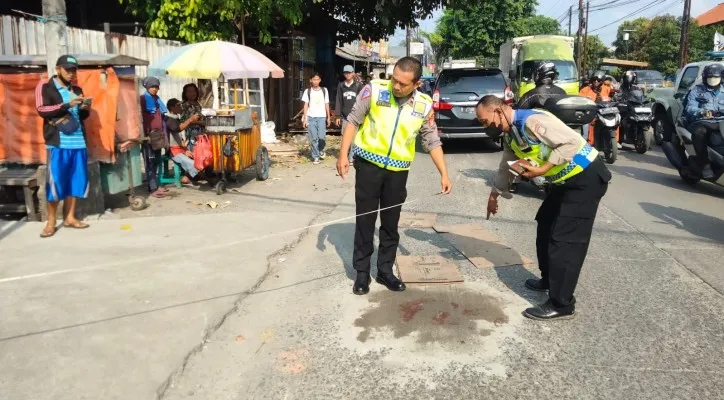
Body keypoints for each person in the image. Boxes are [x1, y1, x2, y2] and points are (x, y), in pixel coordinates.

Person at [476, 95, 611, 321]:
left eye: (484, 120)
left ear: (498, 111)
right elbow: (505, 166)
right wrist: (494, 195)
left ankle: (562, 303)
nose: (484, 126)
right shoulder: (511, 135)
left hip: (585, 179)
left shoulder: (532, 122)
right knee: (546, 224)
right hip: (564, 182)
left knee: (565, 240)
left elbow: (571, 143)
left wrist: (543, 169)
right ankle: (549, 279)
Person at [337, 56, 453, 296]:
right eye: (394, 80)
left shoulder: (423, 105)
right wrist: (342, 155)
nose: (396, 86)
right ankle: (361, 273)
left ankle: (385, 270)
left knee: (390, 224)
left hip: (398, 172)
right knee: (365, 221)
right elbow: (353, 121)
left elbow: (431, 140)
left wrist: (444, 173)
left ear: (417, 84)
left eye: (403, 83)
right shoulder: (374, 90)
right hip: (369, 165)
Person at [35, 55, 91, 238]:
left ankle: (70, 217)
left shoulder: (77, 89)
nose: (71, 73)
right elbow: (41, 110)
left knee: (76, 181)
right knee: (56, 183)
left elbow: (81, 117)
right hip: (58, 143)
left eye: (74, 70)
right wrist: (68, 104)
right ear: (58, 69)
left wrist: (84, 108)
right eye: (67, 69)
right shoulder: (45, 87)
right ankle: (51, 222)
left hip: (78, 142)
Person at [682, 63, 724, 179]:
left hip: (721, 122)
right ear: (705, 78)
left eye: (716, 78)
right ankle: (704, 164)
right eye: (710, 78)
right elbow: (689, 107)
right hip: (703, 121)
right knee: (699, 132)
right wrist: (702, 111)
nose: (713, 80)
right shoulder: (697, 90)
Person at [140, 77, 168, 198]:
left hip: (158, 135)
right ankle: (152, 188)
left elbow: (162, 117)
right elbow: (139, 117)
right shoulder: (142, 99)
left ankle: (155, 184)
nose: (155, 89)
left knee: (156, 160)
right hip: (148, 136)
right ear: (147, 87)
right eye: (152, 87)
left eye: (156, 87)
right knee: (150, 161)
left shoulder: (157, 100)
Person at [165, 98, 203, 183]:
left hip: (180, 149)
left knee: (198, 159)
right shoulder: (169, 118)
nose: (180, 107)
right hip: (173, 151)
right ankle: (188, 177)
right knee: (193, 164)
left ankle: (190, 176)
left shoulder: (175, 118)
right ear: (172, 108)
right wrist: (190, 119)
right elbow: (177, 129)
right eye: (178, 106)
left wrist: (185, 150)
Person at [335, 65, 365, 164]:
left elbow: (363, 100)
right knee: (345, 136)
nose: (347, 74)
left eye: (349, 72)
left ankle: (352, 157)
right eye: (345, 73)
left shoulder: (359, 86)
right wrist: (338, 115)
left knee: (354, 138)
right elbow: (339, 100)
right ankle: (346, 155)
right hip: (345, 116)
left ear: (353, 73)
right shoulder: (341, 85)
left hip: (356, 116)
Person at [301, 72, 331, 164]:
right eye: (314, 79)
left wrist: (328, 117)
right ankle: (316, 156)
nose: (316, 81)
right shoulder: (307, 91)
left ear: (320, 80)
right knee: (313, 138)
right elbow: (306, 105)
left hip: (322, 117)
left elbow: (327, 103)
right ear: (311, 80)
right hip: (311, 117)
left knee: (322, 137)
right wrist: (305, 118)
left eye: (317, 79)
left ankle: (321, 150)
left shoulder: (324, 90)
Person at [180, 83, 205, 151]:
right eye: (189, 92)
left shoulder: (198, 104)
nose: (192, 93)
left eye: (194, 91)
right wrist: (200, 123)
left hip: (201, 134)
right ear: (185, 94)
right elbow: (182, 121)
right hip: (191, 136)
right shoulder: (183, 105)